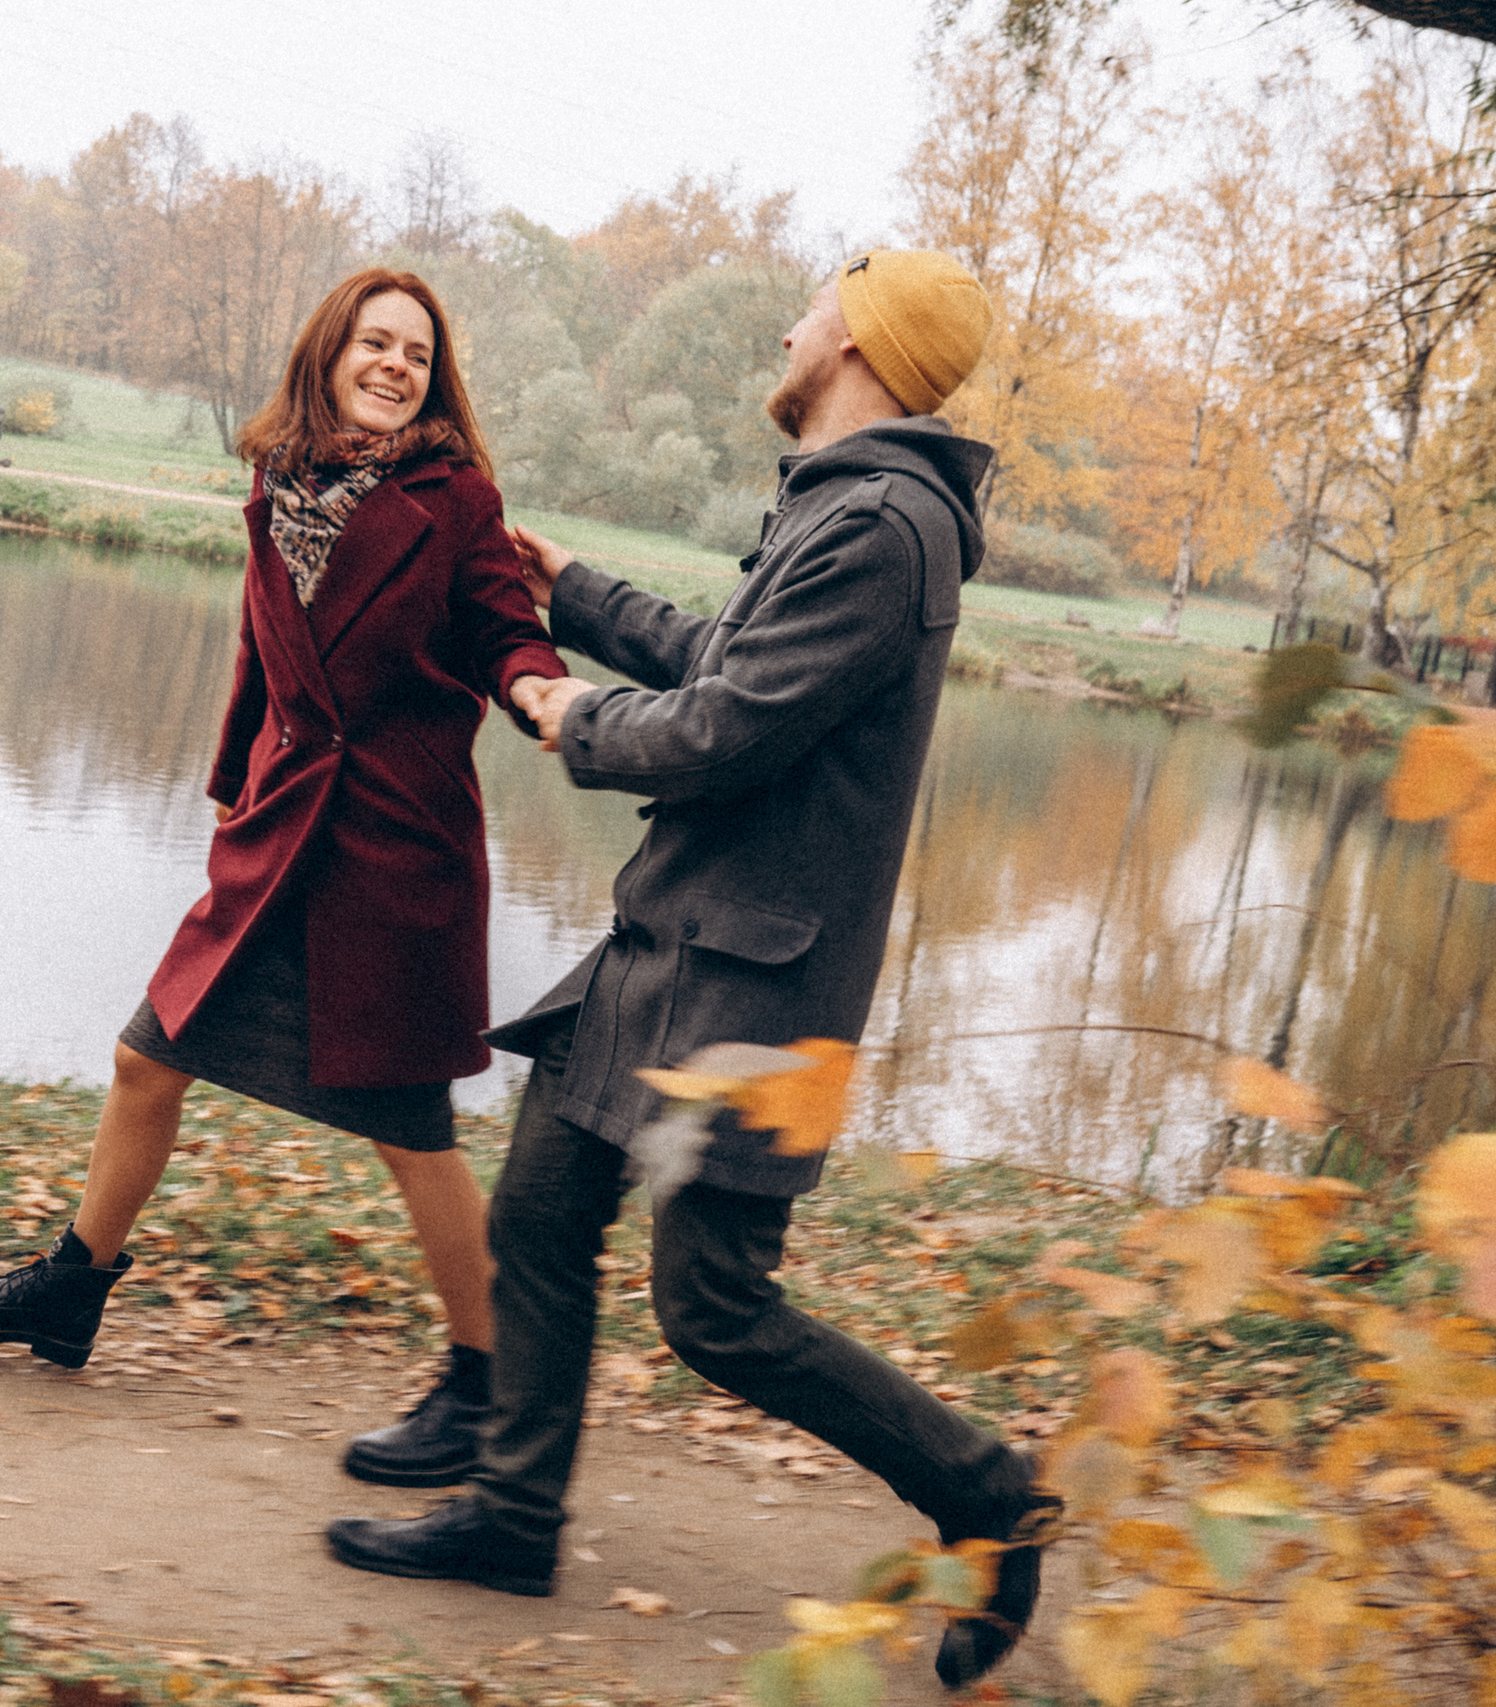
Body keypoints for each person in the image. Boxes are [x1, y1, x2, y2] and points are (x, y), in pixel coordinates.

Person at [324, 251, 1064, 1692]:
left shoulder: (885, 524)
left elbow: (726, 724)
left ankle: (990, 1495)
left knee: (716, 1304)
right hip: (683, 940)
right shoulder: (848, 503)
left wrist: (567, 714)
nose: (789, 323)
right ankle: (514, 1514)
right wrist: (574, 590)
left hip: (750, 981)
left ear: (857, 341)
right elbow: (729, 651)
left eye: (814, 302)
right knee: (539, 1208)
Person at [0, 268, 585, 1487]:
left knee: (410, 1135)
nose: (394, 366)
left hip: (393, 851)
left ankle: (492, 1387)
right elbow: (260, 648)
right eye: (374, 343)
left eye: (416, 355)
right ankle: (70, 1292)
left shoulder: (454, 500)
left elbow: (502, 629)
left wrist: (539, 689)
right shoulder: (281, 484)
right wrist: (232, 778)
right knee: (147, 1053)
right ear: (328, 353)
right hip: (282, 831)